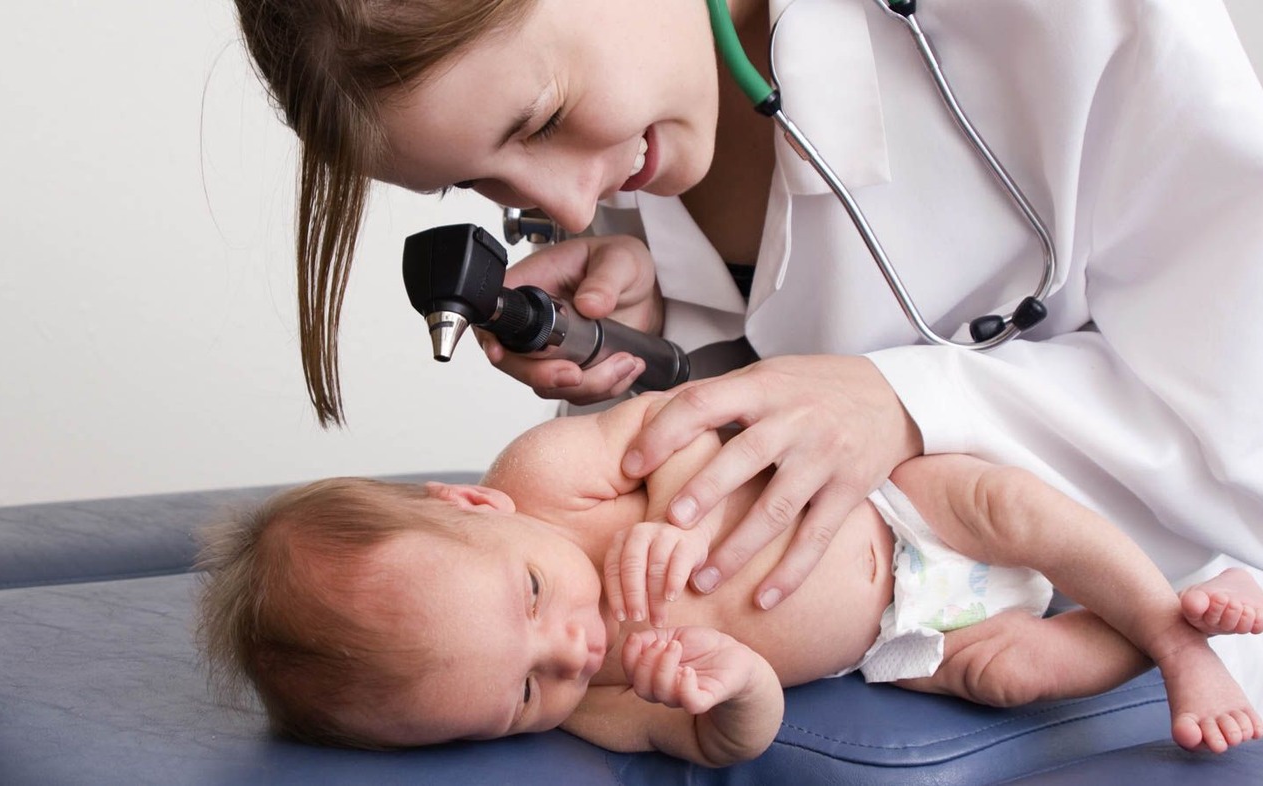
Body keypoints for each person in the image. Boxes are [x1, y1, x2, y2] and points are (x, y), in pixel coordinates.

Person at [231, 0, 1263, 697]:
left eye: (539, 118)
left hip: (1203, 634)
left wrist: (896, 403)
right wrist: (670, 336)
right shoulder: (638, 116)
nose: (564, 202)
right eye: (488, 186)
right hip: (952, 643)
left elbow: (1236, 418)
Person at [197, 393, 1262, 765]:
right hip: (910, 639)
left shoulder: (549, 478)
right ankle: (1165, 619)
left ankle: (1176, 647)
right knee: (1010, 675)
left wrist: (668, 511)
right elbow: (720, 744)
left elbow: (712, 415)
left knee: (1008, 508)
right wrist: (731, 684)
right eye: (522, 694)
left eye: (529, 597)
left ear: (473, 506)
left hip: (900, 507)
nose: (568, 648)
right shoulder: (604, 708)